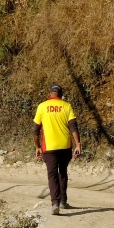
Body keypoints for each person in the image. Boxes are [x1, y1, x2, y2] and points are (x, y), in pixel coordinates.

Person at [32, 84, 82, 215]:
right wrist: (78, 144)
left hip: (49, 147)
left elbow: (36, 130)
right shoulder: (67, 106)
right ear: (60, 95)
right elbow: (73, 127)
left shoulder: (42, 107)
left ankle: (55, 203)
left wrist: (37, 147)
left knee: (52, 174)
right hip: (65, 146)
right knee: (63, 172)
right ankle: (63, 201)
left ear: (50, 94)